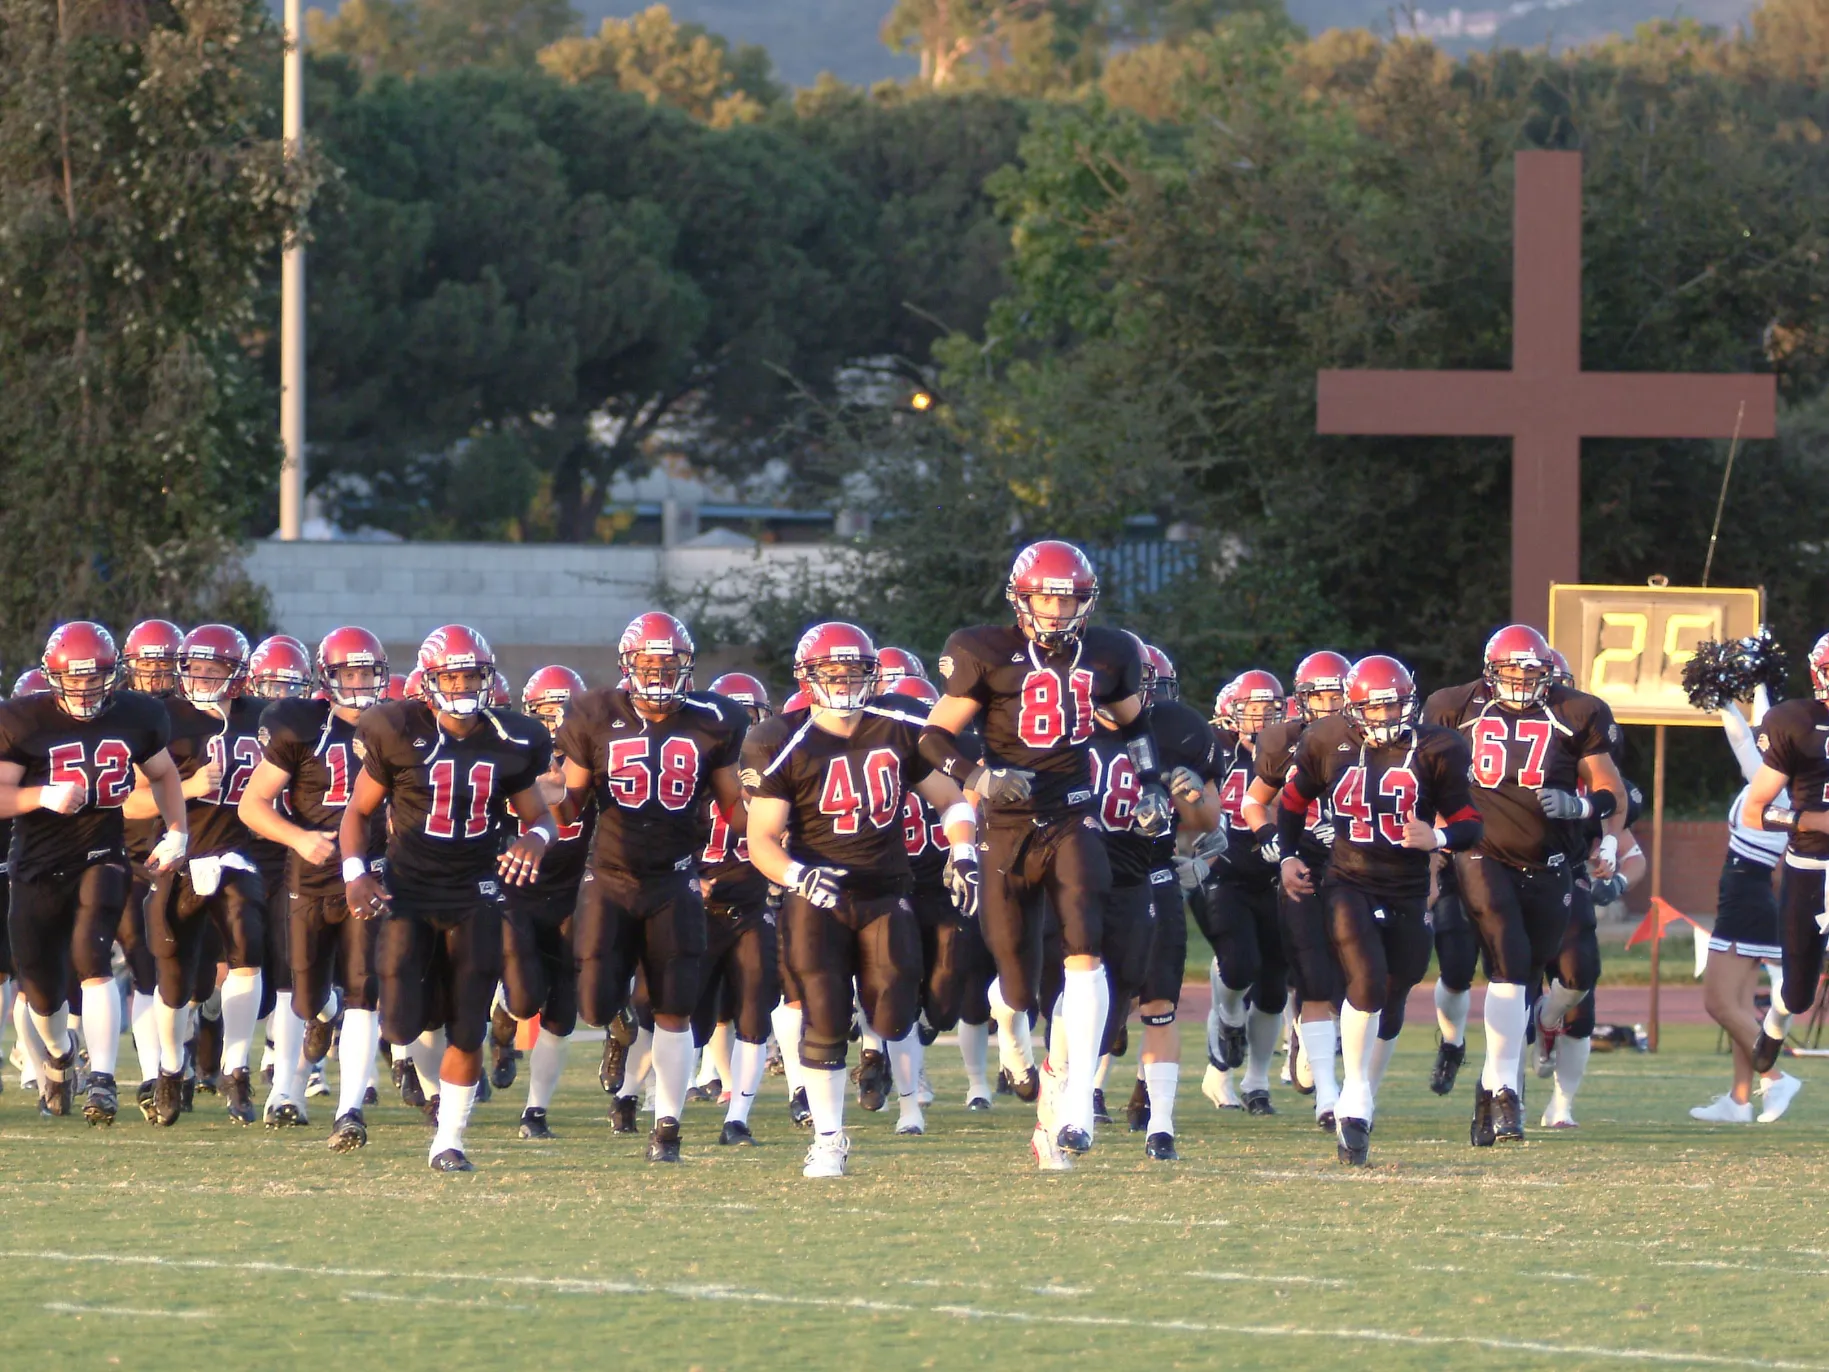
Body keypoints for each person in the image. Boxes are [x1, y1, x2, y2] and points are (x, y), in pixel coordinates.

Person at [918, 540, 1165, 1165]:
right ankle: (1023, 1044)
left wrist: (1152, 783)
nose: (1056, 610)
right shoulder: (983, 651)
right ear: (1021, 598)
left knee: (1085, 949)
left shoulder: (1111, 653)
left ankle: (1075, 1102)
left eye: (1068, 598)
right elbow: (931, 737)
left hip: (1071, 814)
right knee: (1020, 988)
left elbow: (1134, 727)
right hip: (1006, 826)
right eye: (1046, 597)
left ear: (1086, 601)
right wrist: (978, 778)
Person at [741, 622, 979, 1176]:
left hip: (885, 891)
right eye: (833, 673)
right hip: (818, 896)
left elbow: (952, 800)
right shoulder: (780, 738)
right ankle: (828, 1139)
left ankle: (876, 1042)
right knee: (822, 1017)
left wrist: (962, 853)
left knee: (895, 1014)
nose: (845, 684)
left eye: (854, 673)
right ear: (809, 677)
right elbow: (761, 840)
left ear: (873, 676)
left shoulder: (899, 728)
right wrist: (798, 877)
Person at [339, 624, 557, 1172]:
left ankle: (450, 1140)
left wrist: (535, 838)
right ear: (429, 682)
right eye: (452, 675)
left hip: (473, 890)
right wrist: (354, 872)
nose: (462, 686)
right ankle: (417, 1067)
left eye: (471, 675)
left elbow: (540, 816)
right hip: (409, 890)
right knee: (400, 1023)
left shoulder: (512, 740)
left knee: (467, 1023)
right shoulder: (394, 729)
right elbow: (357, 812)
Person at [552, 612, 748, 1163]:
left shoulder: (716, 719)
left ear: (687, 666)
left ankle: (668, 1128)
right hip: (610, 875)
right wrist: (536, 796)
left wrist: (772, 824)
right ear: (627, 666)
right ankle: (617, 1026)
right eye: (649, 664)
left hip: (675, 878)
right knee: (592, 1003)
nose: (659, 674)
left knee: (675, 1008)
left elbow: (732, 804)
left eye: (669, 664)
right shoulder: (592, 712)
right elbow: (572, 801)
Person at [1423, 625, 1626, 1147]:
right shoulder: (1453, 707)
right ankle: (1507, 1092)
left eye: (1530, 670)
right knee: (1509, 965)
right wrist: (1431, 851)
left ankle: (1490, 1085)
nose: (1519, 679)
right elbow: (1424, 780)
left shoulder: (1578, 711)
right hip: (1480, 852)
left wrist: (1580, 807)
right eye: (1510, 669)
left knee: (1528, 972)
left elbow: (1609, 790)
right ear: (1490, 671)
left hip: (1551, 861)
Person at [1278, 655, 1481, 1164]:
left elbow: (1469, 821)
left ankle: (1364, 1087)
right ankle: (1354, 1101)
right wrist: (1286, 855)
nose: (1388, 716)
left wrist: (1438, 836)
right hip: (1347, 879)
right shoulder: (1326, 739)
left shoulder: (1439, 747)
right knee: (1365, 982)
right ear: (1355, 707)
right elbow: (1291, 801)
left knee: (1396, 991)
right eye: (1377, 706)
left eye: (1395, 705)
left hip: (1408, 887)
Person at [0, 622, 189, 1124]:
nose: (84, 689)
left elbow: (164, 773)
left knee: (93, 957)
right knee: (39, 986)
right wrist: (42, 795)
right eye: (74, 679)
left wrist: (177, 831)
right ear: (52, 676)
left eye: (95, 677)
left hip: (101, 851)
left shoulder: (137, 714)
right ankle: (61, 1057)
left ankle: (102, 1079)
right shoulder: (23, 720)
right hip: (37, 862)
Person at [238, 626, 391, 1150]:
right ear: (327, 678)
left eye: (367, 672)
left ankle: (349, 1110)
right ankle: (312, 1039)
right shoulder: (299, 726)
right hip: (310, 872)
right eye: (348, 673)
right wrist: (299, 839)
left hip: (370, 873)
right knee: (308, 998)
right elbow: (251, 805)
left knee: (363, 993)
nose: (359, 682)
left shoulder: (397, 726)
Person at [128, 624, 274, 1126]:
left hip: (237, 854)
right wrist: (188, 787)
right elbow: (129, 801)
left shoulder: (263, 720)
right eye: (194, 667)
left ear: (238, 676)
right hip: (177, 858)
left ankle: (237, 1069)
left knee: (246, 945)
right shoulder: (164, 717)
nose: (202, 677)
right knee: (173, 981)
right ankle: (170, 1070)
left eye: (214, 669)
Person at [1240, 650, 1351, 1122]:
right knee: (1313, 978)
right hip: (1304, 868)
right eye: (1318, 695)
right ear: (1301, 700)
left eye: (1335, 695)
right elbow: (1253, 802)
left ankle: (1315, 1046)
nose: (1327, 705)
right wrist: (1276, 842)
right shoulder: (1281, 741)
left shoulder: (1372, 741)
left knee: (1356, 981)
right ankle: (1328, 1095)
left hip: (1359, 871)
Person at [492, 665, 593, 1142]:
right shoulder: (512, 752)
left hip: (572, 892)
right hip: (518, 890)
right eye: (545, 711)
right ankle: (505, 1015)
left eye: (563, 710)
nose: (554, 721)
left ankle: (535, 1112)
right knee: (527, 996)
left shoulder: (596, 755)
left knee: (561, 1012)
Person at [1689, 689, 1800, 1123]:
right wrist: (1755, 689)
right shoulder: (1776, 777)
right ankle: (1739, 1101)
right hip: (1748, 892)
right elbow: (1756, 731)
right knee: (1735, 1002)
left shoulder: (1779, 778)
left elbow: (1742, 740)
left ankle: (1774, 1077)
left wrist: (1719, 698)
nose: (1762, 740)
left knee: (1718, 1003)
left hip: (1746, 893)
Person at [1736, 633, 1829, 1088]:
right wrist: (1813, 821)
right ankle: (1776, 1020)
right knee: (1798, 991)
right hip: (1810, 868)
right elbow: (1757, 811)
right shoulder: (1796, 722)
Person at [695, 671, 780, 1145]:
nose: (743, 728)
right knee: (683, 1010)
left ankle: (738, 1118)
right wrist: (688, 878)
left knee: (754, 1009)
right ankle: (650, 1098)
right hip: (697, 904)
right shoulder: (694, 769)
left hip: (753, 903)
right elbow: (660, 832)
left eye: (750, 718)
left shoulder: (780, 764)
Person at [1201, 668, 1290, 1115]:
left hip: (1277, 875)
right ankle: (1229, 1019)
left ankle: (1257, 1082)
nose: (1260, 720)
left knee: (1274, 987)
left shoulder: (1294, 746)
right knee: (1239, 966)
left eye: (1269, 711)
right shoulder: (1212, 746)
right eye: (1251, 711)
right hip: (1228, 872)